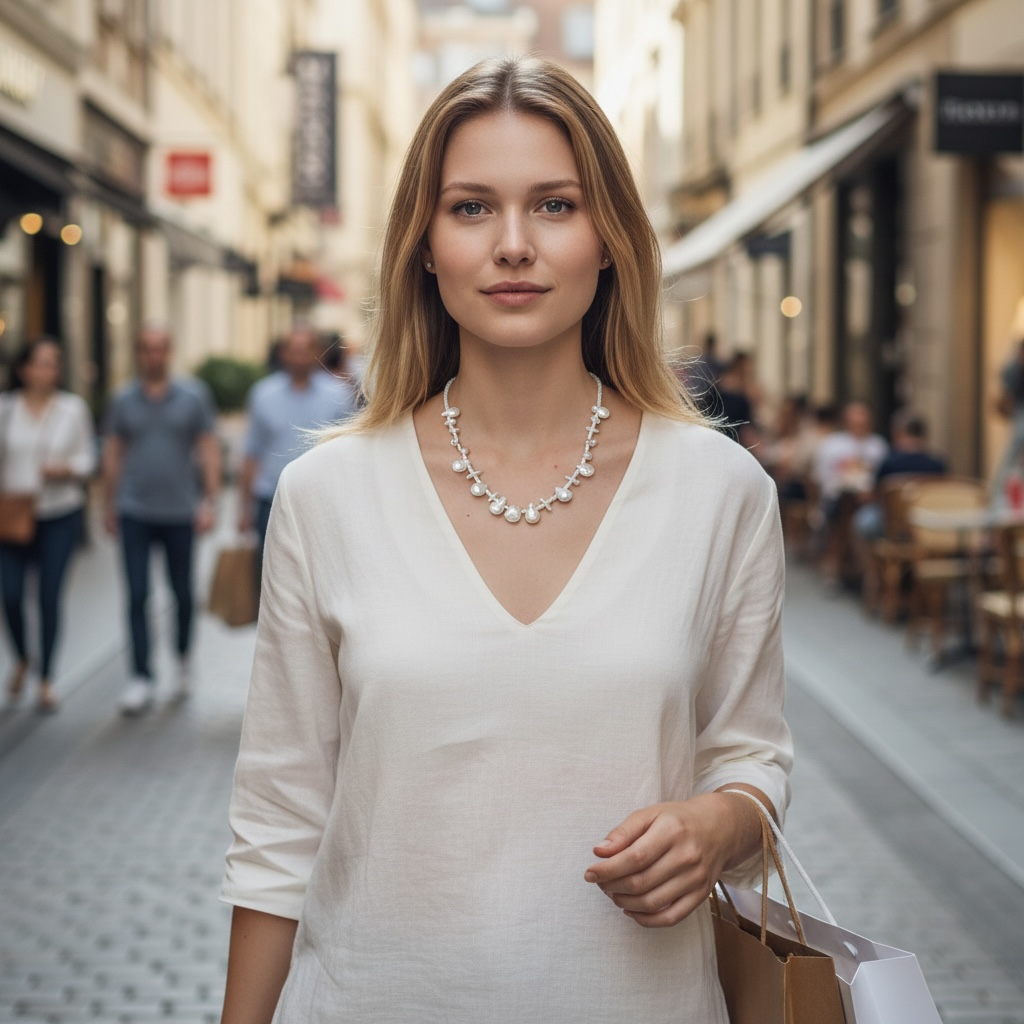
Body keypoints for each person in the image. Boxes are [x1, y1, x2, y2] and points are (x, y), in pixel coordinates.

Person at [220, 55, 792, 1024]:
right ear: (424, 244)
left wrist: (718, 820)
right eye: (473, 207)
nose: (514, 244)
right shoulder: (328, 495)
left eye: (556, 206)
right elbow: (278, 821)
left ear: (608, 237)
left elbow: (752, 754)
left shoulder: (718, 489)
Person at [101, 327, 221, 716]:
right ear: (139, 354)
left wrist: (210, 501)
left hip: (180, 512)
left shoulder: (193, 396)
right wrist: (108, 504)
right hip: (134, 510)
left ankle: (183, 659)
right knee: (137, 595)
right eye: (147, 349)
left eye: (159, 349)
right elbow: (114, 452)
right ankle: (141, 677)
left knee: (182, 594)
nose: (153, 355)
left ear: (169, 353)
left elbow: (208, 447)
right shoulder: (123, 399)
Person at [0, 338, 95, 713]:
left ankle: (47, 678)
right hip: (13, 516)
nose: (48, 370)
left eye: (54, 363)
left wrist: (68, 469)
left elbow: (90, 457)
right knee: (10, 595)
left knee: (48, 598)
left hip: (59, 513)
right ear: (23, 369)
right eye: (40, 363)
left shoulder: (72, 409)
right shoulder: (5, 409)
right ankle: (23, 655)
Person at [237, 325, 357, 559]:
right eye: (293, 349)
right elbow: (252, 453)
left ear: (318, 352)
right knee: (267, 569)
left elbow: (348, 453)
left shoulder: (339, 395)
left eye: (305, 349)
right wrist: (244, 509)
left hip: (320, 500)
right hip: (270, 500)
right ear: (282, 353)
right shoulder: (262, 394)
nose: (299, 356)